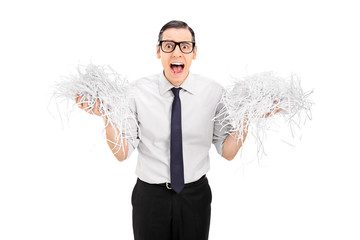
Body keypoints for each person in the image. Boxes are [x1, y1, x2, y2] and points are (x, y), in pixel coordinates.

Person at [75, 20, 280, 240]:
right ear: (158, 51)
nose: (176, 53)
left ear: (194, 52)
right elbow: (121, 153)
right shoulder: (136, 92)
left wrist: (246, 115)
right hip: (150, 196)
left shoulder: (214, 92)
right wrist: (107, 114)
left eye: (185, 46)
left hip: (195, 196)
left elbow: (228, 152)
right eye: (168, 45)